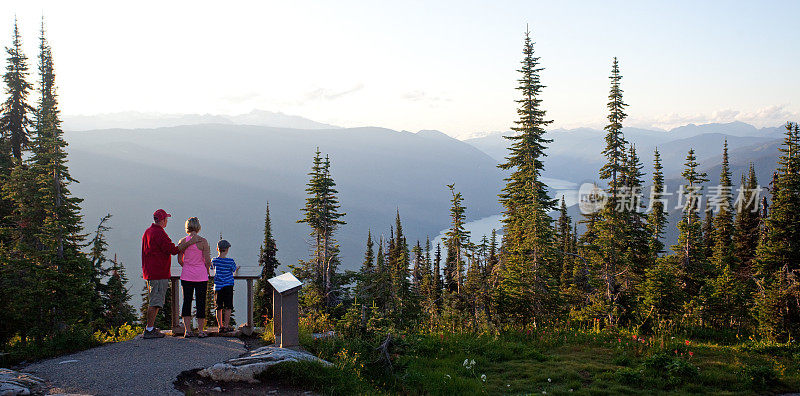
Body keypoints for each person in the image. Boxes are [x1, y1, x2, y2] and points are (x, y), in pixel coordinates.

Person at [141, 209, 199, 339]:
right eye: (166, 218)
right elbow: (172, 250)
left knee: (155, 300)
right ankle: (149, 329)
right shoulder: (159, 233)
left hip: (151, 271)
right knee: (155, 301)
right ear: (162, 220)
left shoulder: (148, 232)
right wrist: (189, 243)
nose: (167, 220)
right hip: (158, 273)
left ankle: (150, 328)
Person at [177, 217, 212, 338]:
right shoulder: (203, 241)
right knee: (201, 302)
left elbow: (179, 260)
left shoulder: (182, 241)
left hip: (186, 275)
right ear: (198, 227)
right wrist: (206, 270)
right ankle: (201, 331)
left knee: (186, 301)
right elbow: (207, 260)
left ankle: (188, 330)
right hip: (201, 276)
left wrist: (187, 266)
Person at [212, 239, 238, 333]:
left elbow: (211, 268)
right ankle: (226, 326)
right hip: (228, 285)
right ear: (227, 249)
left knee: (218, 307)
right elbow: (234, 269)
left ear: (217, 249)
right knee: (228, 306)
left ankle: (220, 326)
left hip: (218, 286)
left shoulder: (214, 260)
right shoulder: (230, 261)